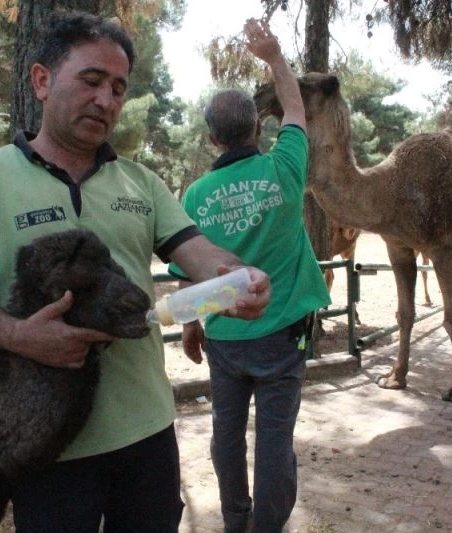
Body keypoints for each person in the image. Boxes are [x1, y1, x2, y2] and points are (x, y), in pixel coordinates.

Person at [0, 10, 270, 533]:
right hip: (45, 442)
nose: (106, 100)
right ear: (41, 80)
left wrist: (238, 276)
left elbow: (197, 250)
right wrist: (18, 337)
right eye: (91, 81)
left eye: (118, 88)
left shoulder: (141, 183)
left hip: (148, 429)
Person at [167, 18, 331, 533]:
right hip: (283, 338)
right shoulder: (285, 166)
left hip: (225, 341)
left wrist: (192, 326)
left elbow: (187, 271)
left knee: (226, 436)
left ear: (212, 138)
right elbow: (297, 109)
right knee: (275, 442)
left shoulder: (193, 196)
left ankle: (235, 523)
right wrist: (274, 57)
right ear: (258, 128)